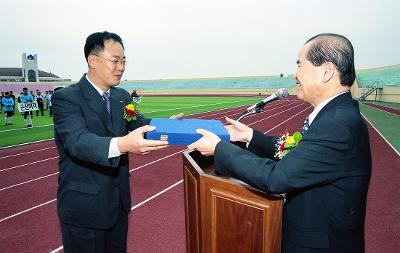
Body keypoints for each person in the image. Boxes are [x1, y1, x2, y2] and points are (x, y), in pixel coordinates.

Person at [188, 33, 372, 253]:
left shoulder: (337, 123)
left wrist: (219, 148)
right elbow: (301, 154)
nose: (295, 75)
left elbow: (277, 177)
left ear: (326, 71)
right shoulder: (337, 114)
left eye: (300, 66)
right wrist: (250, 136)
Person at [52, 31, 182, 253]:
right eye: (115, 60)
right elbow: (78, 141)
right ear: (92, 60)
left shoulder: (122, 97)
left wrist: (165, 126)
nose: (121, 67)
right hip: (85, 210)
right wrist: (123, 145)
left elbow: (136, 122)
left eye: (123, 61)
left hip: (118, 204)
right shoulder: (66, 98)